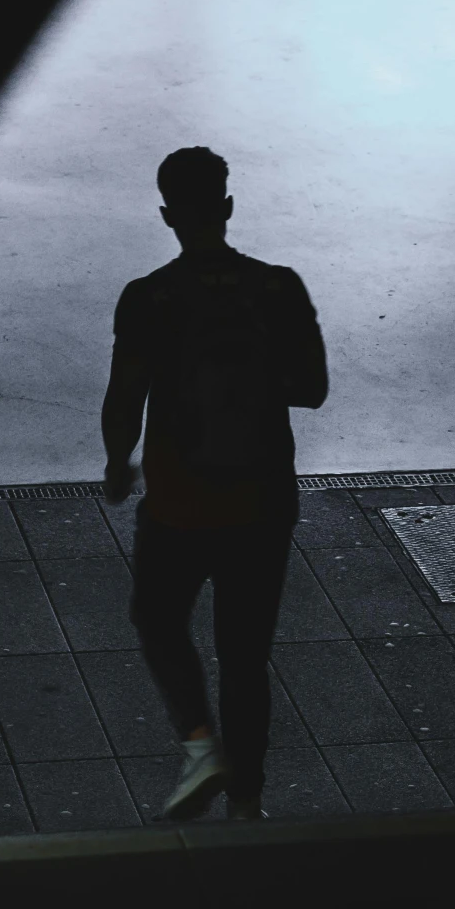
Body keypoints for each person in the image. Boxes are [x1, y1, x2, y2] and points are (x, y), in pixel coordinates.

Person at [102, 147, 328, 821]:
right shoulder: (279, 287)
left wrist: (120, 463)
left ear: (167, 214)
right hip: (261, 506)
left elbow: (124, 399)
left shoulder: (147, 299)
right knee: (245, 654)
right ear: (228, 207)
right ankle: (248, 799)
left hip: (178, 505)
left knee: (157, 618)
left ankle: (202, 747)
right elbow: (312, 390)